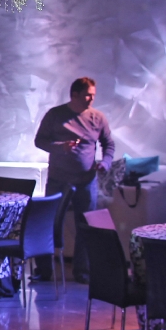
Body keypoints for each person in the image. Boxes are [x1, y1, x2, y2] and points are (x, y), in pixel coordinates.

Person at [33, 77, 115, 280]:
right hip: (58, 180)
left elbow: (108, 144)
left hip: (86, 181)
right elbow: (40, 141)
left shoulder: (98, 117)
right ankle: (44, 270)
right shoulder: (55, 115)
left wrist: (105, 163)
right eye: (87, 95)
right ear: (74, 95)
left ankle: (82, 271)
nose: (91, 99)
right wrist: (60, 147)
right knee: (49, 222)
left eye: (93, 95)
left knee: (86, 225)